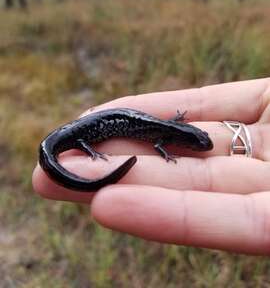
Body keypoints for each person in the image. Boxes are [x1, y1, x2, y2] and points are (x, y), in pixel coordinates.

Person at [32, 78, 270, 255]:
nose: (202, 146)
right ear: (185, 139)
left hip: (84, 130)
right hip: (76, 136)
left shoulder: (169, 130)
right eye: (199, 144)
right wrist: (91, 150)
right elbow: (158, 145)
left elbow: (166, 135)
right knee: (76, 147)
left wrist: (173, 134)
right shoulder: (165, 135)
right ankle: (90, 162)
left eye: (201, 142)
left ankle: (91, 165)